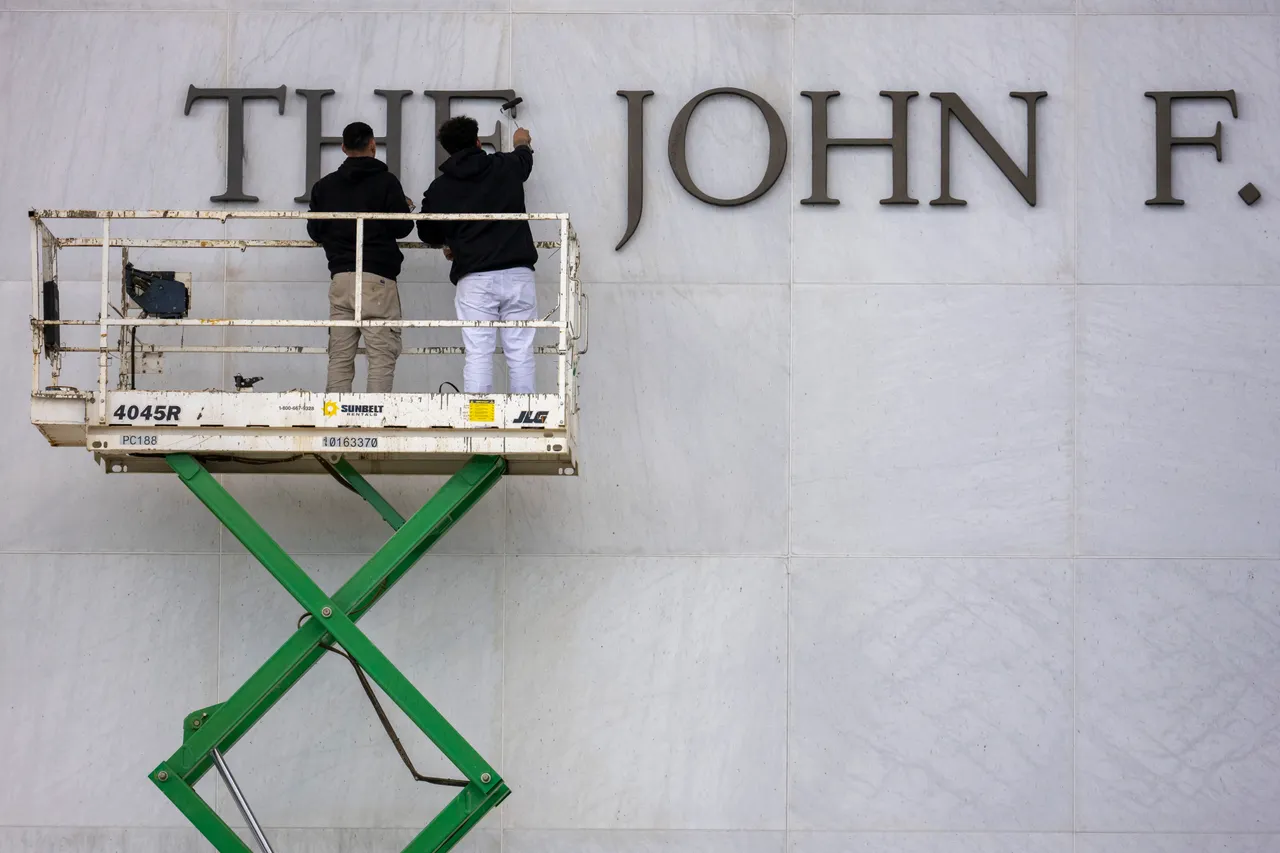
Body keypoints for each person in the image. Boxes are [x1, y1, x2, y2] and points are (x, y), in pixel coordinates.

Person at [418, 116, 538, 395]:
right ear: (478, 141)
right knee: (520, 350)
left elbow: (426, 231)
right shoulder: (505, 166)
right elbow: (524, 160)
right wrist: (522, 142)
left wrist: (451, 241)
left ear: (448, 150)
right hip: (518, 272)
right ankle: (526, 419)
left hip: (475, 278)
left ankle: (480, 421)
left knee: (479, 352)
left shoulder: (441, 188)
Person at [307, 121, 414, 393]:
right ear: (373, 146)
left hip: (341, 279)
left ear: (343, 148)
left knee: (340, 358)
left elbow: (315, 231)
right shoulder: (387, 182)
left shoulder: (324, 186)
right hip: (378, 280)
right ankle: (373, 422)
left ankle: (335, 421)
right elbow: (402, 228)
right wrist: (404, 207)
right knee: (381, 358)